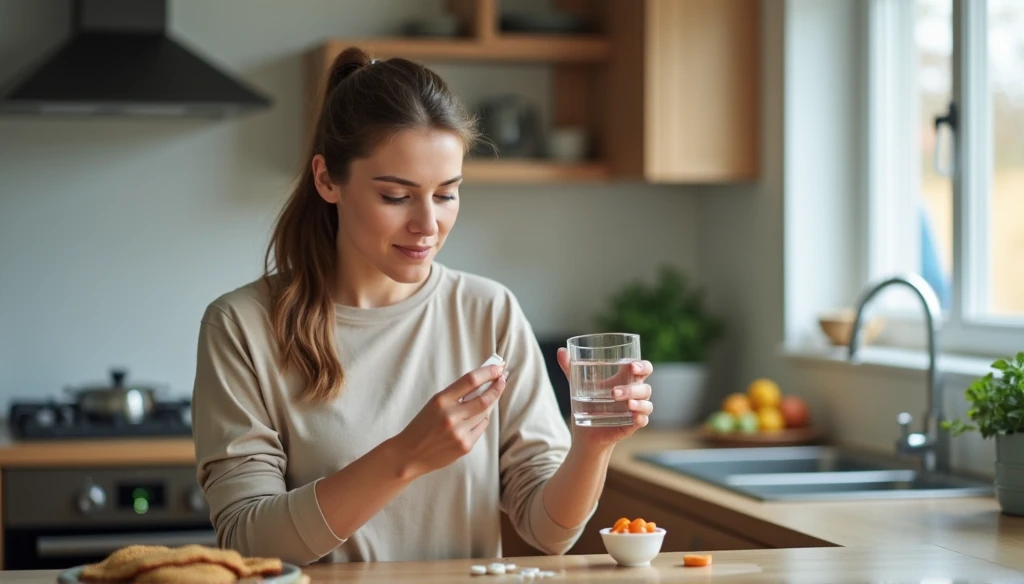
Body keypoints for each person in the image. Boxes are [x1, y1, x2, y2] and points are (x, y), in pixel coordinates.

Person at [190, 46, 655, 566]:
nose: (427, 225)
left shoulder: (490, 311)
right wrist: (404, 457)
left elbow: (549, 532)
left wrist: (591, 448)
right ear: (327, 180)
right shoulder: (242, 325)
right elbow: (248, 543)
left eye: (446, 193)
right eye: (396, 196)